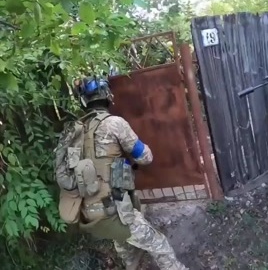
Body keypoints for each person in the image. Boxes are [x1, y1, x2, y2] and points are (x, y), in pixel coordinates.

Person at [54, 76, 188, 270]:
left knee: (123, 243)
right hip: (114, 211)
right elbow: (145, 157)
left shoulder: (74, 131)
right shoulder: (114, 123)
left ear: (84, 101)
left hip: (86, 215)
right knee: (159, 245)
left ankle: (132, 264)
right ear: (108, 96)